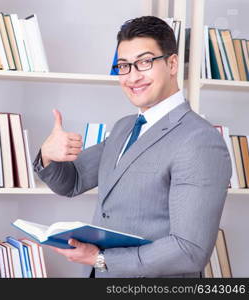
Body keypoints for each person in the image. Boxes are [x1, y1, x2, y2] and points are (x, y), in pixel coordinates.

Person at [33, 16, 232, 278]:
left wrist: (101, 258)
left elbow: (189, 250)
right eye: (124, 66)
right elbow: (73, 182)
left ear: (172, 64)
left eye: (145, 62)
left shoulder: (200, 141)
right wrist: (48, 156)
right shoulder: (124, 127)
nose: (133, 76)